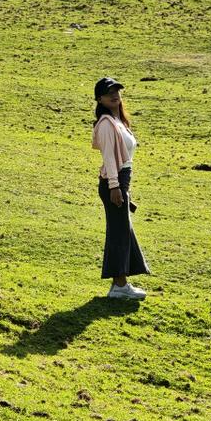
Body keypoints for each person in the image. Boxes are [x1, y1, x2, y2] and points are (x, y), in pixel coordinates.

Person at [91, 76, 150, 299]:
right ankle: (118, 286)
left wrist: (123, 187)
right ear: (100, 99)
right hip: (113, 182)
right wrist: (115, 187)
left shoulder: (118, 121)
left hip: (121, 181)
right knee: (118, 233)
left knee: (123, 231)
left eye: (117, 91)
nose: (115, 95)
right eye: (109, 93)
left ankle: (122, 283)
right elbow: (109, 158)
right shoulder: (106, 124)